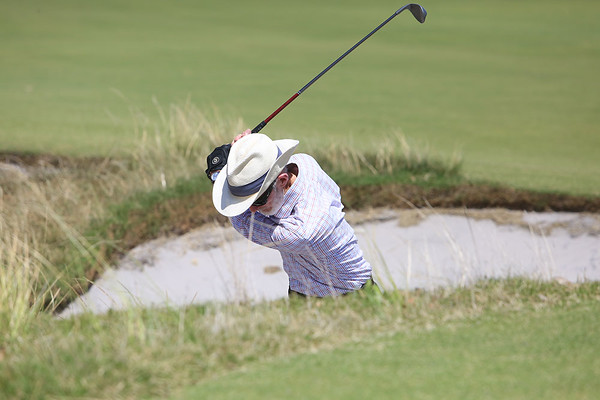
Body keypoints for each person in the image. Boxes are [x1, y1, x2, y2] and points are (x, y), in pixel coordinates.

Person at [210, 129, 373, 297]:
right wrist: (245, 153)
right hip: (301, 293)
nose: (252, 209)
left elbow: (241, 219)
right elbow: (268, 161)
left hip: (352, 295)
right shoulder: (304, 162)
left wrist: (222, 177)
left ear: (282, 180)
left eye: (257, 201)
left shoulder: (302, 231)